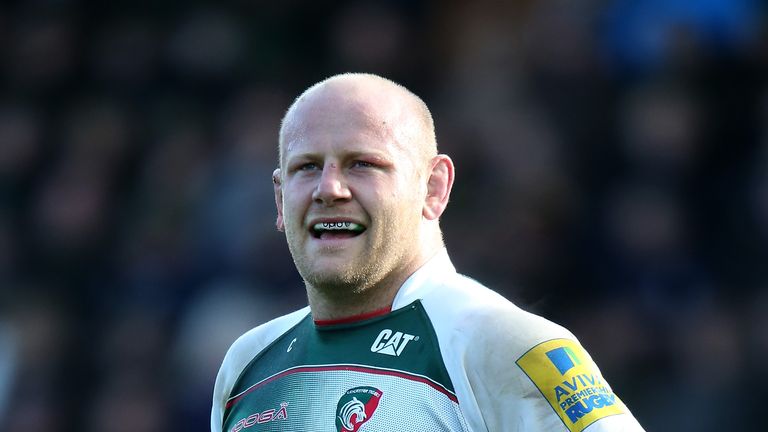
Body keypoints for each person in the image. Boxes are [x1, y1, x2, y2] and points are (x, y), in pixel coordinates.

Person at [211, 73, 645, 432]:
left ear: (434, 187)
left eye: (363, 163)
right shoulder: (246, 365)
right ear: (279, 197)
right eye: (306, 167)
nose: (329, 189)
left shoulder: (501, 343)